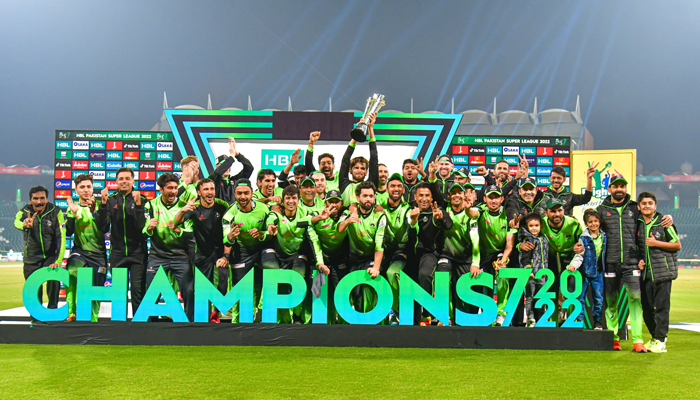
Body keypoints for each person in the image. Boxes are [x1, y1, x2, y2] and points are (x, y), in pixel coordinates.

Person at [597, 174, 673, 352]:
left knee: (636, 300)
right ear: (610, 189)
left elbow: (650, 217)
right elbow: (591, 226)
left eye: (622, 186)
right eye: (616, 186)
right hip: (610, 262)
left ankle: (638, 341)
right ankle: (614, 337)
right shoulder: (602, 209)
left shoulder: (635, 208)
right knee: (611, 302)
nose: (619, 189)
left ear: (626, 188)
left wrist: (666, 217)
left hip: (632, 264)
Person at [261, 185, 327, 323]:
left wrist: (320, 262)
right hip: (277, 254)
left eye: (294, 198)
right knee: (272, 276)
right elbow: (271, 219)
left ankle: (297, 315)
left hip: (296, 256)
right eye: (287, 198)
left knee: (298, 278)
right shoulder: (276, 213)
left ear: (298, 200)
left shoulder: (304, 215)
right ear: (283, 201)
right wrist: (269, 226)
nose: (291, 201)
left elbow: (313, 239)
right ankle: (266, 313)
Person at [174, 178, 231, 323]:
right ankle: (202, 318)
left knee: (223, 283)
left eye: (212, 189)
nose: (210, 192)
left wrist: (226, 254)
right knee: (201, 290)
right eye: (206, 189)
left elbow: (228, 227)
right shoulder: (194, 209)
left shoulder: (222, 206)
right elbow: (177, 221)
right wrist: (183, 210)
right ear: (199, 192)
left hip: (220, 253)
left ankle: (215, 312)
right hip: (202, 254)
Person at [95, 167, 148, 317]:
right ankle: (120, 327)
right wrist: (103, 204)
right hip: (118, 255)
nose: (124, 182)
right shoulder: (111, 200)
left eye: (127, 179)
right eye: (121, 179)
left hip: (138, 255)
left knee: (138, 292)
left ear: (133, 181)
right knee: (119, 294)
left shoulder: (142, 200)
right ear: (116, 182)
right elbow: (103, 227)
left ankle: (140, 327)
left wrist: (138, 206)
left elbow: (141, 227)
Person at [143, 173, 194, 322]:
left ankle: (190, 323)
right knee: (152, 292)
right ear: (161, 189)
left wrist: (179, 230)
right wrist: (149, 229)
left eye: (175, 188)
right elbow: (144, 229)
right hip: (158, 255)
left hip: (180, 255)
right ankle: (151, 325)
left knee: (189, 290)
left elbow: (190, 231)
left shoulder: (184, 206)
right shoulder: (151, 205)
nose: (173, 191)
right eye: (169, 188)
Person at [636, 192, 681, 353]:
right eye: (644, 203)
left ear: (655, 206)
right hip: (646, 273)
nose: (647, 206)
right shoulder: (638, 223)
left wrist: (656, 243)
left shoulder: (664, 223)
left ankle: (661, 340)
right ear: (639, 206)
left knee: (662, 307)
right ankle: (655, 337)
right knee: (647, 308)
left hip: (662, 272)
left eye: (650, 203)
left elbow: (677, 245)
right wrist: (640, 261)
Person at [222, 179, 270, 323]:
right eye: (239, 193)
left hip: (261, 249)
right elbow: (226, 239)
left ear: (252, 193)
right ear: (235, 194)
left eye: (246, 193)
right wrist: (231, 236)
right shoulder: (229, 214)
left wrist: (263, 234)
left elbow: (271, 230)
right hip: (242, 252)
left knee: (270, 274)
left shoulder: (263, 208)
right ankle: (237, 323)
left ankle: (262, 313)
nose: (243, 197)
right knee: (240, 289)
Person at [338, 181, 387, 315]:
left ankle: (374, 325)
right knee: (356, 293)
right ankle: (359, 327)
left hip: (371, 259)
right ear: (358, 198)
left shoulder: (380, 215)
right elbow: (339, 229)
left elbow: (380, 244)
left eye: (371, 196)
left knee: (369, 287)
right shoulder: (349, 211)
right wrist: (348, 220)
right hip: (353, 259)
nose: (368, 199)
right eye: (365, 196)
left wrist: (376, 267)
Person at [14, 185, 65, 311]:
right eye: (35, 198)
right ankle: (36, 318)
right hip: (31, 258)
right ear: (30, 200)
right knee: (33, 290)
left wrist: (57, 261)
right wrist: (25, 225)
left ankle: (53, 312)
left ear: (47, 199)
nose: (39, 202)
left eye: (42, 198)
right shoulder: (24, 211)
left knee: (53, 282)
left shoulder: (55, 211)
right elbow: (17, 222)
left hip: (50, 257)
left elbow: (61, 236)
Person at [409, 182, 453, 326]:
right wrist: (413, 220)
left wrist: (440, 219)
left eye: (427, 195)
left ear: (432, 197)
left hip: (428, 254)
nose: (424, 199)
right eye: (421, 195)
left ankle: (428, 313)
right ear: (415, 197)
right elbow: (407, 236)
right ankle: (400, 315)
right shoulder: (409, 211)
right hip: (410, 256)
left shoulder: (437, 211)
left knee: (425, 275)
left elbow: (449, 225)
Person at [435, 182, 480, 324]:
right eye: (453, 193)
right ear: (448, 196)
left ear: (464, 195)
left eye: (459, 193)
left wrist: (475, 263)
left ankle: (463, 319)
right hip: (446, 256)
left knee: (465, 290)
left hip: (465, 258)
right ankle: (445, 317)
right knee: (442, 277)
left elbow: (475, 240)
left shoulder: (470, 213)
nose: (456, 195)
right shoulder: (443, 211)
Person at [65, 174, 106, 322]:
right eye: (82, 187)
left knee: (96, 287)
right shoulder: (73, 208)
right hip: (80, 251)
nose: (86, 190)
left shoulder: (101, 207)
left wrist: (96, 212)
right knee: (72, 272)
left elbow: (104, 228)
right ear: (76, 190)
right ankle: (72, 313)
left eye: (89, 186)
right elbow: (68, 231)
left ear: (92, 188)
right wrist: (72, 214)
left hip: (98, 254)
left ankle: (92, 318)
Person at [475, 185, 517, 326]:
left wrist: (503, 261)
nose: (493, 201)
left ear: (502, 199)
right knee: (485, 283)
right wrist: (468, 208)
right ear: (485, 199)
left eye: (496, 197)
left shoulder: (508, 214)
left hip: (500, 253)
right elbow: (472, 214)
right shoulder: (481, 210)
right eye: (490, 197)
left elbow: (509, 245)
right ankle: (488, 314)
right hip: (483, 255)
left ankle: (501, 313)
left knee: (502, 275)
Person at [539, 198, 583, 325]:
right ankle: (552, 321)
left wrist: (579, 248)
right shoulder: (541, 224)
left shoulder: (573, 224)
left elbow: (581, 246)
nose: (557, 214)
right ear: (546, 213)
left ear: (564, 211)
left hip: (569, 259)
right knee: (551, 290)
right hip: (551, 258)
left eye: (559, 210)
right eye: (553, 211)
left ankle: (570, 321)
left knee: (570, 290)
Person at [309, 190, 349, 323]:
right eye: (330, 201)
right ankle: (325, 323)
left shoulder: (346, 214)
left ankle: (343, 322)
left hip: (340, 260)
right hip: (323, 260)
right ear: (325, 203)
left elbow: (342, 225)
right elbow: (310, 231)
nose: (333, 205)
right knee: (320, 294)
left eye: (336, 202)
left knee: (341, 292)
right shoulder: (317, 215)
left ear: (341, 203)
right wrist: (319, 262)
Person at [379, 173, 412, 325]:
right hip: (382, 251)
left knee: (392, 273)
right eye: (392, 186)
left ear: (404, 190)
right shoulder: (379, 205)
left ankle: (394, 311)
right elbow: (356, 203)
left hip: (401, 253)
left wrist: (414, 219)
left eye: (399, 186)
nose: (396, 189)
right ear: (386, 189)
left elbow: (412, 221)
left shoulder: (407, 208)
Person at [570, 208, 606, 330]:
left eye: (596, 221)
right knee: (580, 298)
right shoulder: (583, 237)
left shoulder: (604, 236)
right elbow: (580, 255)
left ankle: (598, 322)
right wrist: (574, 265)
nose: (593, 224)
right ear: (586, 224)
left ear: (599, 222)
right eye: (590, 222)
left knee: (598, 299)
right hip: (585, 272)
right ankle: (579, 320)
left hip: (599, 273)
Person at [339, 113, 379, 207]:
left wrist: (370, 128)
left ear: (366, 172)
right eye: (356, 168)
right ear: (350, 170)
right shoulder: (344, 184)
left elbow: (374, 159)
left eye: (362, 168)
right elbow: (345, 159)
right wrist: (357, 134)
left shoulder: (370, 185)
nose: (359, 170)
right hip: (348, 220)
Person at [518, 212, 549, 327]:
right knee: (530, 297)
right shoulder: (528, 239)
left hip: (542, 274)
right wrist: (528, 270)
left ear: (541, 226)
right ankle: (530, 318)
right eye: (531, 226)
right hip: (531, 274)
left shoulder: (543, 238)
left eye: (536, 225)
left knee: (541, 296)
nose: (534, 228)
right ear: (527, 227)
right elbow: (525, 258)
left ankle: (541, 317)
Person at [209, 137, 254, 204]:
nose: (227, 168)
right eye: (224, 165)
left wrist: (237, 154)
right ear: (217, 166)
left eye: (229, 165)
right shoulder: (213, 180)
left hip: (234, 213)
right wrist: (231, 157)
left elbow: (249, 168)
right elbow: (218, 173)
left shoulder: (235, 181)